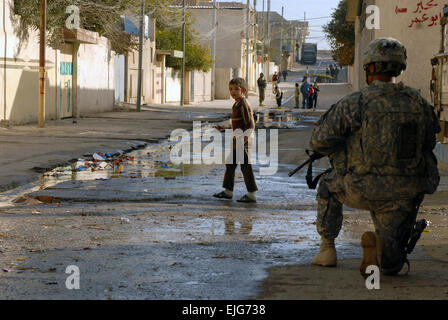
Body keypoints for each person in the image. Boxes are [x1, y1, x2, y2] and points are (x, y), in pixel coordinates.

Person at [309, 38, 440, 277]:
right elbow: (429, 144)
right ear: (399, 68)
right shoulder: (418, 103)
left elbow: (319, 141)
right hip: (405, 193)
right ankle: (382, 252)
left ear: (369, 68)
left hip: (359, 188)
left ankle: (327, 249)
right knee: (392, 265)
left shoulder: (355, 102)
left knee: (327, 186)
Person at [213, 78, 258, 203]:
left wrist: (243, 140)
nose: (233, 92)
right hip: (237, 140)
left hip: (243, 141)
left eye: (236, 89)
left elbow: (250, 125)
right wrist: (225, 128)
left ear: (243, 90)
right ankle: (228, 192)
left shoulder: (243, 104)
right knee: (230, 164)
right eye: (231, 89)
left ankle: (251, 194)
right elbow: (237, 124)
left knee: (245, 167)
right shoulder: (236, 104)